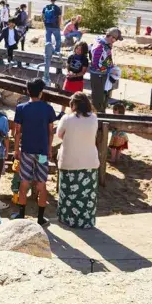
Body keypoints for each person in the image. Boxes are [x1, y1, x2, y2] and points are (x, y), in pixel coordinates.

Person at [11, 78, 57, 226]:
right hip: (42, 153)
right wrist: (49, 149)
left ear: (28, 91)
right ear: (41, 92)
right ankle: (40, 218)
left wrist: (16, 149)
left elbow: (17, 132)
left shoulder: (21, 108)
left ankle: (21, 214)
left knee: (24, 182)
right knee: (41, 184)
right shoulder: (48, 109)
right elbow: (51, 132)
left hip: (27, 151)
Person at [55, 92, 100, 229]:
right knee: (87, 196)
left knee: (68, 194)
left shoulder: (67, 119)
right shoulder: (94, 118)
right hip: (90, 161)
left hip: (70, 160)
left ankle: (68, 219)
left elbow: (59, 134)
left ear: (74, 105)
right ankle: (87, 220)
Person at [89, 27, 122, 113]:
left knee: (104, 98)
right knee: (98, 101)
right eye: (115, 39)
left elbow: (104, 59)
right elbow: (96, 64)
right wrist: (109, 69)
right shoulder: (101, 47)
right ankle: (98, 120)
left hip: (103, 75)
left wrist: (110, 66)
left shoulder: (105, 43)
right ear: (111, 37)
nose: (115, 42)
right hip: (98, 76)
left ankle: (101, 117)